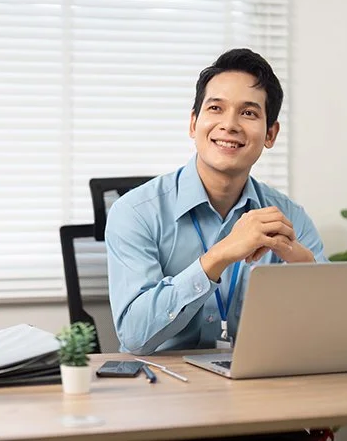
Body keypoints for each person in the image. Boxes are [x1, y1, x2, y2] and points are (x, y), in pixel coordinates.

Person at [105, 48, 327, 357]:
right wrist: (219, 255)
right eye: (216, 109)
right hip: (161, 385)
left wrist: (302, 264)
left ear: (271, 133)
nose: (230, 125)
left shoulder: (288, 217)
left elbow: (330, 333)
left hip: (257, 382)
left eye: (248, 113)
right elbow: (134, 336)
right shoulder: (134, 212)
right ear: (193, 124)